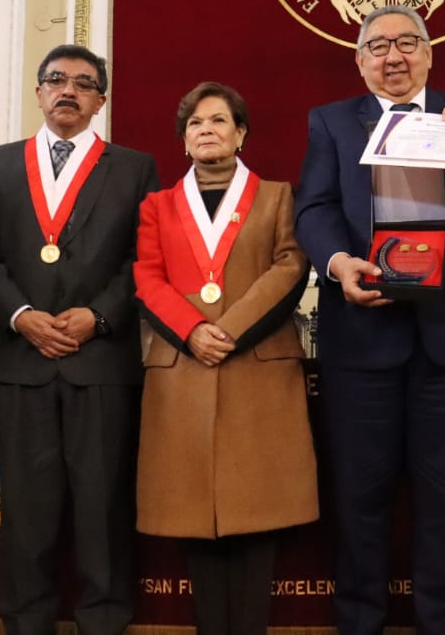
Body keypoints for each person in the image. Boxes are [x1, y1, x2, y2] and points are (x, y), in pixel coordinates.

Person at [294, 4, 445, 634]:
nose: (393, 56)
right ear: (359, 60)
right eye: (378, 46)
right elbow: (313, 209)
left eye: (407, 43)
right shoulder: (334, 122)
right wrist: (339, 263)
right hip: (361, 338)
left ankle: (443, 626)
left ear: (430, 52)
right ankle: (359, 623)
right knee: (360, 497)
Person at [0, 44, 158, 635]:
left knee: (102, 506)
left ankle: (105, 621)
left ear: (100, 98)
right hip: (21, 357)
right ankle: (27, 622)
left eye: (82, 82)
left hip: (98, 360)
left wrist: (97, 317)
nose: (67, 90)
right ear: (39, 91)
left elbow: (142, 259)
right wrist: (21, 314)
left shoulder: (133, 166)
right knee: (27, 507)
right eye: (55, 80)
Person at [134, 82, 317, 635]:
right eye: (194, 123)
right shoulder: (157, 205)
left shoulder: (278, 196)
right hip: (183, 371)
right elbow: (147, 277)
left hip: (256, 367)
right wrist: (193, 329)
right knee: (195, 520)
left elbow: (290, 266)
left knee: (257, 516)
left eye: (218, 120)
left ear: (241, 133)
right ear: (183, 139)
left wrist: (228, 329)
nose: (206, 130)